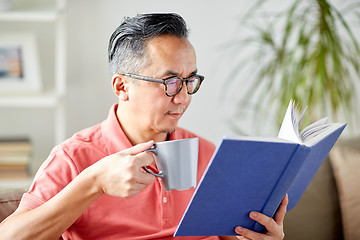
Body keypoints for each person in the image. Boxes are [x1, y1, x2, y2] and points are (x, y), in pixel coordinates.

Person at [0, 13, 288, 240]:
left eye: (190, 81)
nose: (184, 97)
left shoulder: (207, 154)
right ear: (122, 86)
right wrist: (94, 183)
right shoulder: (73, 159)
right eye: (170, 82)